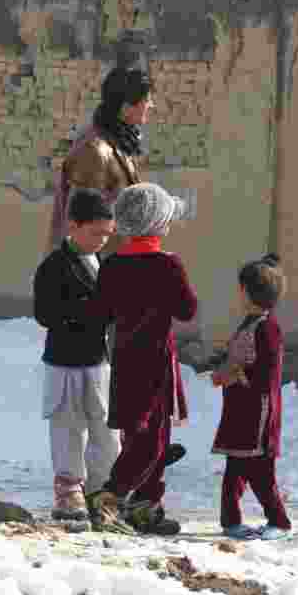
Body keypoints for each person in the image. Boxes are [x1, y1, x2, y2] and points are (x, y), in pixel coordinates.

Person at [86, 182, 197, 535]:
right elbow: (187, 309)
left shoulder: (112, 265)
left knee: (141, 437)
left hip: (124, 361)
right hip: (156, 365)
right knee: (153, 443)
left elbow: (100, 313)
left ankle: (146, 507)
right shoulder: (168, 265)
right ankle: (111, 496)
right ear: (159, 226)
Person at [33, 188, 120, 522]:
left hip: (98, 360)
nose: (101, 240)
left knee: (106, 428)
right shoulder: (54, 266)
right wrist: (87, 311)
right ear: (73, 226)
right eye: (95, 232)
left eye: (106, 234)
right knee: (68, 426)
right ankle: (69, 491)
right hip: (64, 362)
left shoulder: (103, 264)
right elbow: (45, 313)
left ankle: (101, 491)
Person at [210, 253, 292, 540]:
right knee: (234, 467)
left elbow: (265, 375)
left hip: (258, 414)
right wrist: (222, 364)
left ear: (248, 292)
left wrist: (234, 374)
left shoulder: (268, 329)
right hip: (239, 410)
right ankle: (230, 521)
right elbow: (240, 357)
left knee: (260, 472)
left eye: (240, 288)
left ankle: (279, 522)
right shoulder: (250, 323)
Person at [48, 67, 154, 256]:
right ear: (126, 106)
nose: (151, 105)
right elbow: (80, 230)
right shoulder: (94, 150)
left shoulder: (116, 145)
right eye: (146, 100)